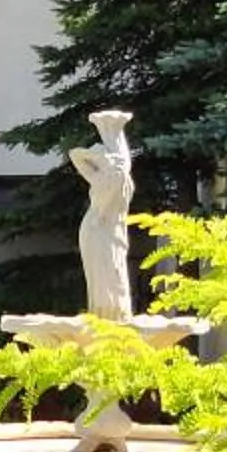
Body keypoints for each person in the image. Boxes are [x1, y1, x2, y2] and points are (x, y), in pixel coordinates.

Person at [73, 110, 135, 320]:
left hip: (106, 228)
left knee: (113, 270)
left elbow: (122, 167)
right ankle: (104, 313)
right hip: (94, 228)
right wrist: (94, 154)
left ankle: (114, 314)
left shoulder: (119, 180)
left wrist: (102, 153)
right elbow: (75, 155)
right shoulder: (98, 177)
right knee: (101, 273)